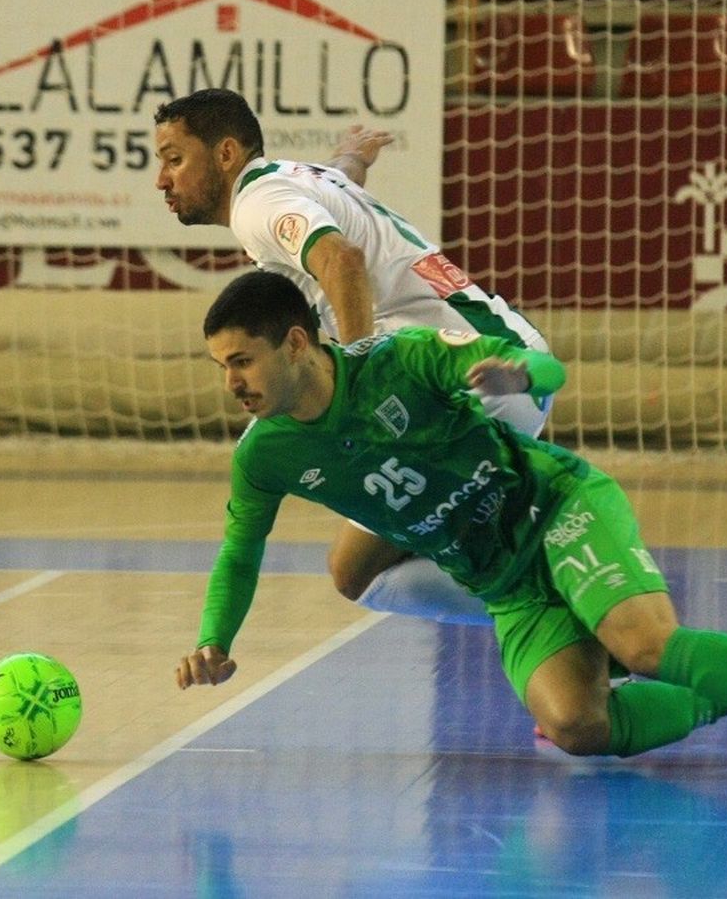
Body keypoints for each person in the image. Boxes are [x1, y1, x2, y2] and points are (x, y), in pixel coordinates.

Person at [175, 270, 727, 781]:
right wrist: (215, 638)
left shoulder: (398, 360)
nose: (231, 383)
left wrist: (518, 377)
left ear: (297, 342)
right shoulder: (266, 453)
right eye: (219, 367)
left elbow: (544, 366)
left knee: (643, 645)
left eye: (241, 360)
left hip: (556, 508)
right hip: (503, 579)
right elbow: (240, 551)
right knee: (577, 727)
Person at [155, 87, 551, 627]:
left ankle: (551, 615)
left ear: (225, 154)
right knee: (490, 535)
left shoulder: (255, 206)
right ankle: (565, 613)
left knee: (356, 573)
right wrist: (353, 158)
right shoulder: (290, 179)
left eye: (174, 160)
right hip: (509, 355)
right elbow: (339, 186)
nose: (162, 179)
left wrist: (365, 378)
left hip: (470, 386)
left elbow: (341, 258)